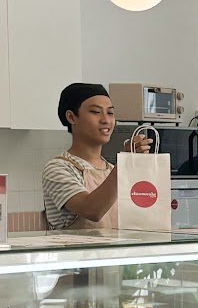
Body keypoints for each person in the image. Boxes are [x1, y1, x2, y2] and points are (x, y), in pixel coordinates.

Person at [42, 83, 149, 231]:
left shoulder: (111, 169)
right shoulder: (58, 169)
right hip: (77, 254)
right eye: (95, 112)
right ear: (72, 117)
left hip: (117, 253)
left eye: (110, 113)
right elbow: (92, 210)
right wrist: (125, 163)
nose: (106, 120)